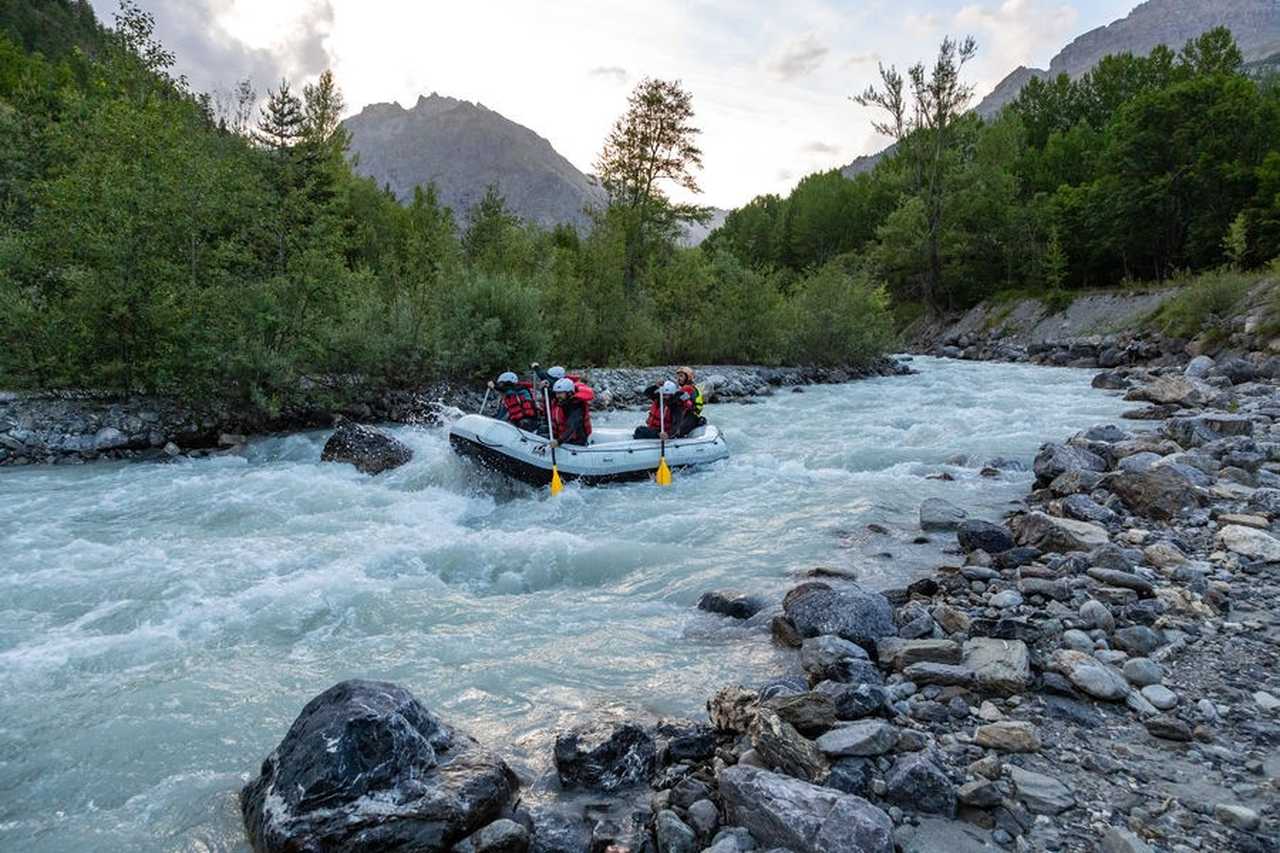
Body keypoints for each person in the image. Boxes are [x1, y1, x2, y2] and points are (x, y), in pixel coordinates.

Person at [548, 376, 594, 447]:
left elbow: (571, 428)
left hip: (576, 441)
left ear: (569, 393)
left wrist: (558, 441)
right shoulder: (562, 402)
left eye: (560, 393)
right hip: (562, 437)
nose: (557, 396)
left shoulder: (576, 406)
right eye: (557, 393)